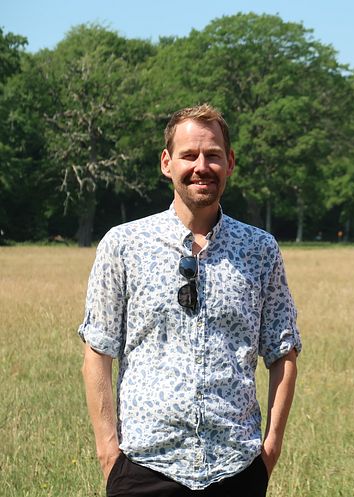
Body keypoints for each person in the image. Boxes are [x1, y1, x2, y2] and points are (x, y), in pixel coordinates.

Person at [79, 104, 301, 496]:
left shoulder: (260, 249)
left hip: (236, 466)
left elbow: (283, 352)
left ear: (230, 162)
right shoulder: (124, 245)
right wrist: (108, 455)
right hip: (144, 465)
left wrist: (269, 451)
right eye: (189, 155)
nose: (202, 166)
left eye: (213, 155)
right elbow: (98, 351)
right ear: (167, 163)